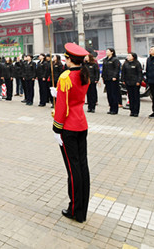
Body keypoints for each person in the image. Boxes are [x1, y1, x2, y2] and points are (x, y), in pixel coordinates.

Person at [51, 42, 90, 224]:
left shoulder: (65, 77)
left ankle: (74, 209)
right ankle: (82, 209)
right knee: (83, 167)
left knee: (73, 170)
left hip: (68, 126)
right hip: (81, 123)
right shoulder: (85, 74)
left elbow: (62, 106)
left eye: (65, 58)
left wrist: (56, 128)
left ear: (69, 59)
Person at [122, 53, 143, 117]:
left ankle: (136, 111)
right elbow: (123, 72)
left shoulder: (137, 63)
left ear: (133, 57)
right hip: (128, 82)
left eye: (129, 56)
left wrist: (138, 81)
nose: (128, 57)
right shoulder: (125, 63)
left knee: (136, 97)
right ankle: (132, 110)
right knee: (130, 97)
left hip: (135, 82)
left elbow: (139, 73)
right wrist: (123, 80)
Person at [101, 48, 120, 115]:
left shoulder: (115, 59)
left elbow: (117, 69)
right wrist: (103, 76)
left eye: (108, 51)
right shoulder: (105, 60)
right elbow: (104, 69)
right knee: (109, 94)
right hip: (107, 79)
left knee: (114, 94)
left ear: (112, 52)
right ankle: (111, 108)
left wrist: (114, 76)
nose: (106, 52)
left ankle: (115, 109)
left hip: (113, 79)